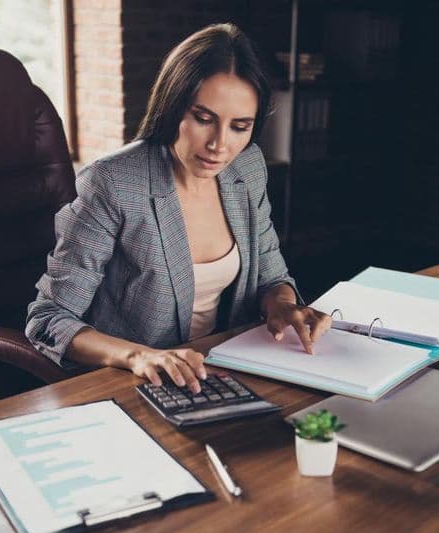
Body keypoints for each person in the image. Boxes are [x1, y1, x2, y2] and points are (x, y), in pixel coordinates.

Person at [26, 23, 331, 394]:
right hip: (130, 383)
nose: (220, 144)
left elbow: (271, 277)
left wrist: (282, 306)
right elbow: (49, 319)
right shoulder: (114, 182)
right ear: (173, 108)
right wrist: (139, 357)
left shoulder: (246, 168)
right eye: (204, 119)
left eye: (239, 126)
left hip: (220, 372)